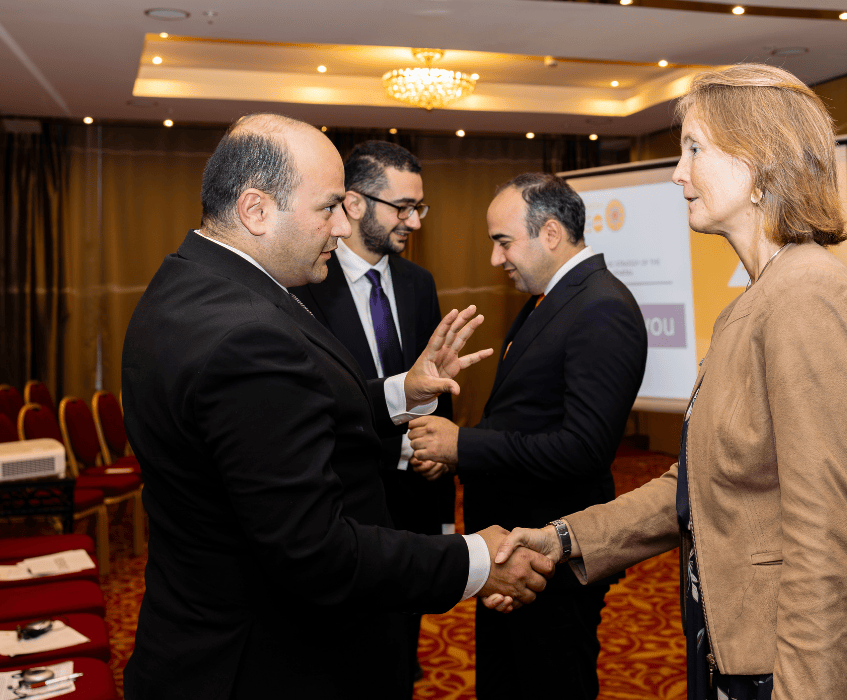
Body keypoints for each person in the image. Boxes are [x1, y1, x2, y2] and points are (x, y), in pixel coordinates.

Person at [491, 64, 847, 700]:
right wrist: (565, 538)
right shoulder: (760, 299)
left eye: (693, 149)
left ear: (761, 162)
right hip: (750, 641)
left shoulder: (806, 300)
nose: (678, 174)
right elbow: (699, 482)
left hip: (806, 666)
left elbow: (828, 544)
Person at [121, 113, 553, 700]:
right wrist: (476, 560)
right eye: (328, 208)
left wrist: (403, 389)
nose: (342, 230)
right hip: (265, 660)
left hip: (213, 631)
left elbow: (286, 410)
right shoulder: (245, 334)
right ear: (256, 210)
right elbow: (314, 551)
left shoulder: (195, 283)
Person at [409, 173, 647, 700]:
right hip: (509, 552)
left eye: (503, 242)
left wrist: (462, 445)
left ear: (552, 234)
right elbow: (523, 418)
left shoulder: (602, 307)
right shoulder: (554, 298)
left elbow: (583, 450)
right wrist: (455, 456)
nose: (496, 260)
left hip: (551, 557)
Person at [290, 140, 456, 687]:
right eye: (402, 207)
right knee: (344, 642)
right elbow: (314, 397)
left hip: (416, 487)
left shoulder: (418, 282)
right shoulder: (305, 284)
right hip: (344, 493)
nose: (413, 220)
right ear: (355, 203)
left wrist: (441, 446)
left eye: (419, 207)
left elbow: (434, 377)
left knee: (402, 638)